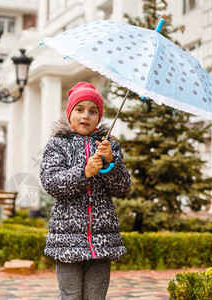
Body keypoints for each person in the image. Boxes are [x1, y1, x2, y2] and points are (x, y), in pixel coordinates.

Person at [40, 82, 131, 299]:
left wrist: (110, 162)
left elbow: (122, 187)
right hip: (68, 240)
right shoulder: (58, 145)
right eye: (79, 110)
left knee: (95, 296)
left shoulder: (109, 146)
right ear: (69, 113)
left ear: (98, 117)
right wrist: (85, 172)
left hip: (102, 239)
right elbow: (51, 182)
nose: (85, 116)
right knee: (70, 295)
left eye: (92, 111)